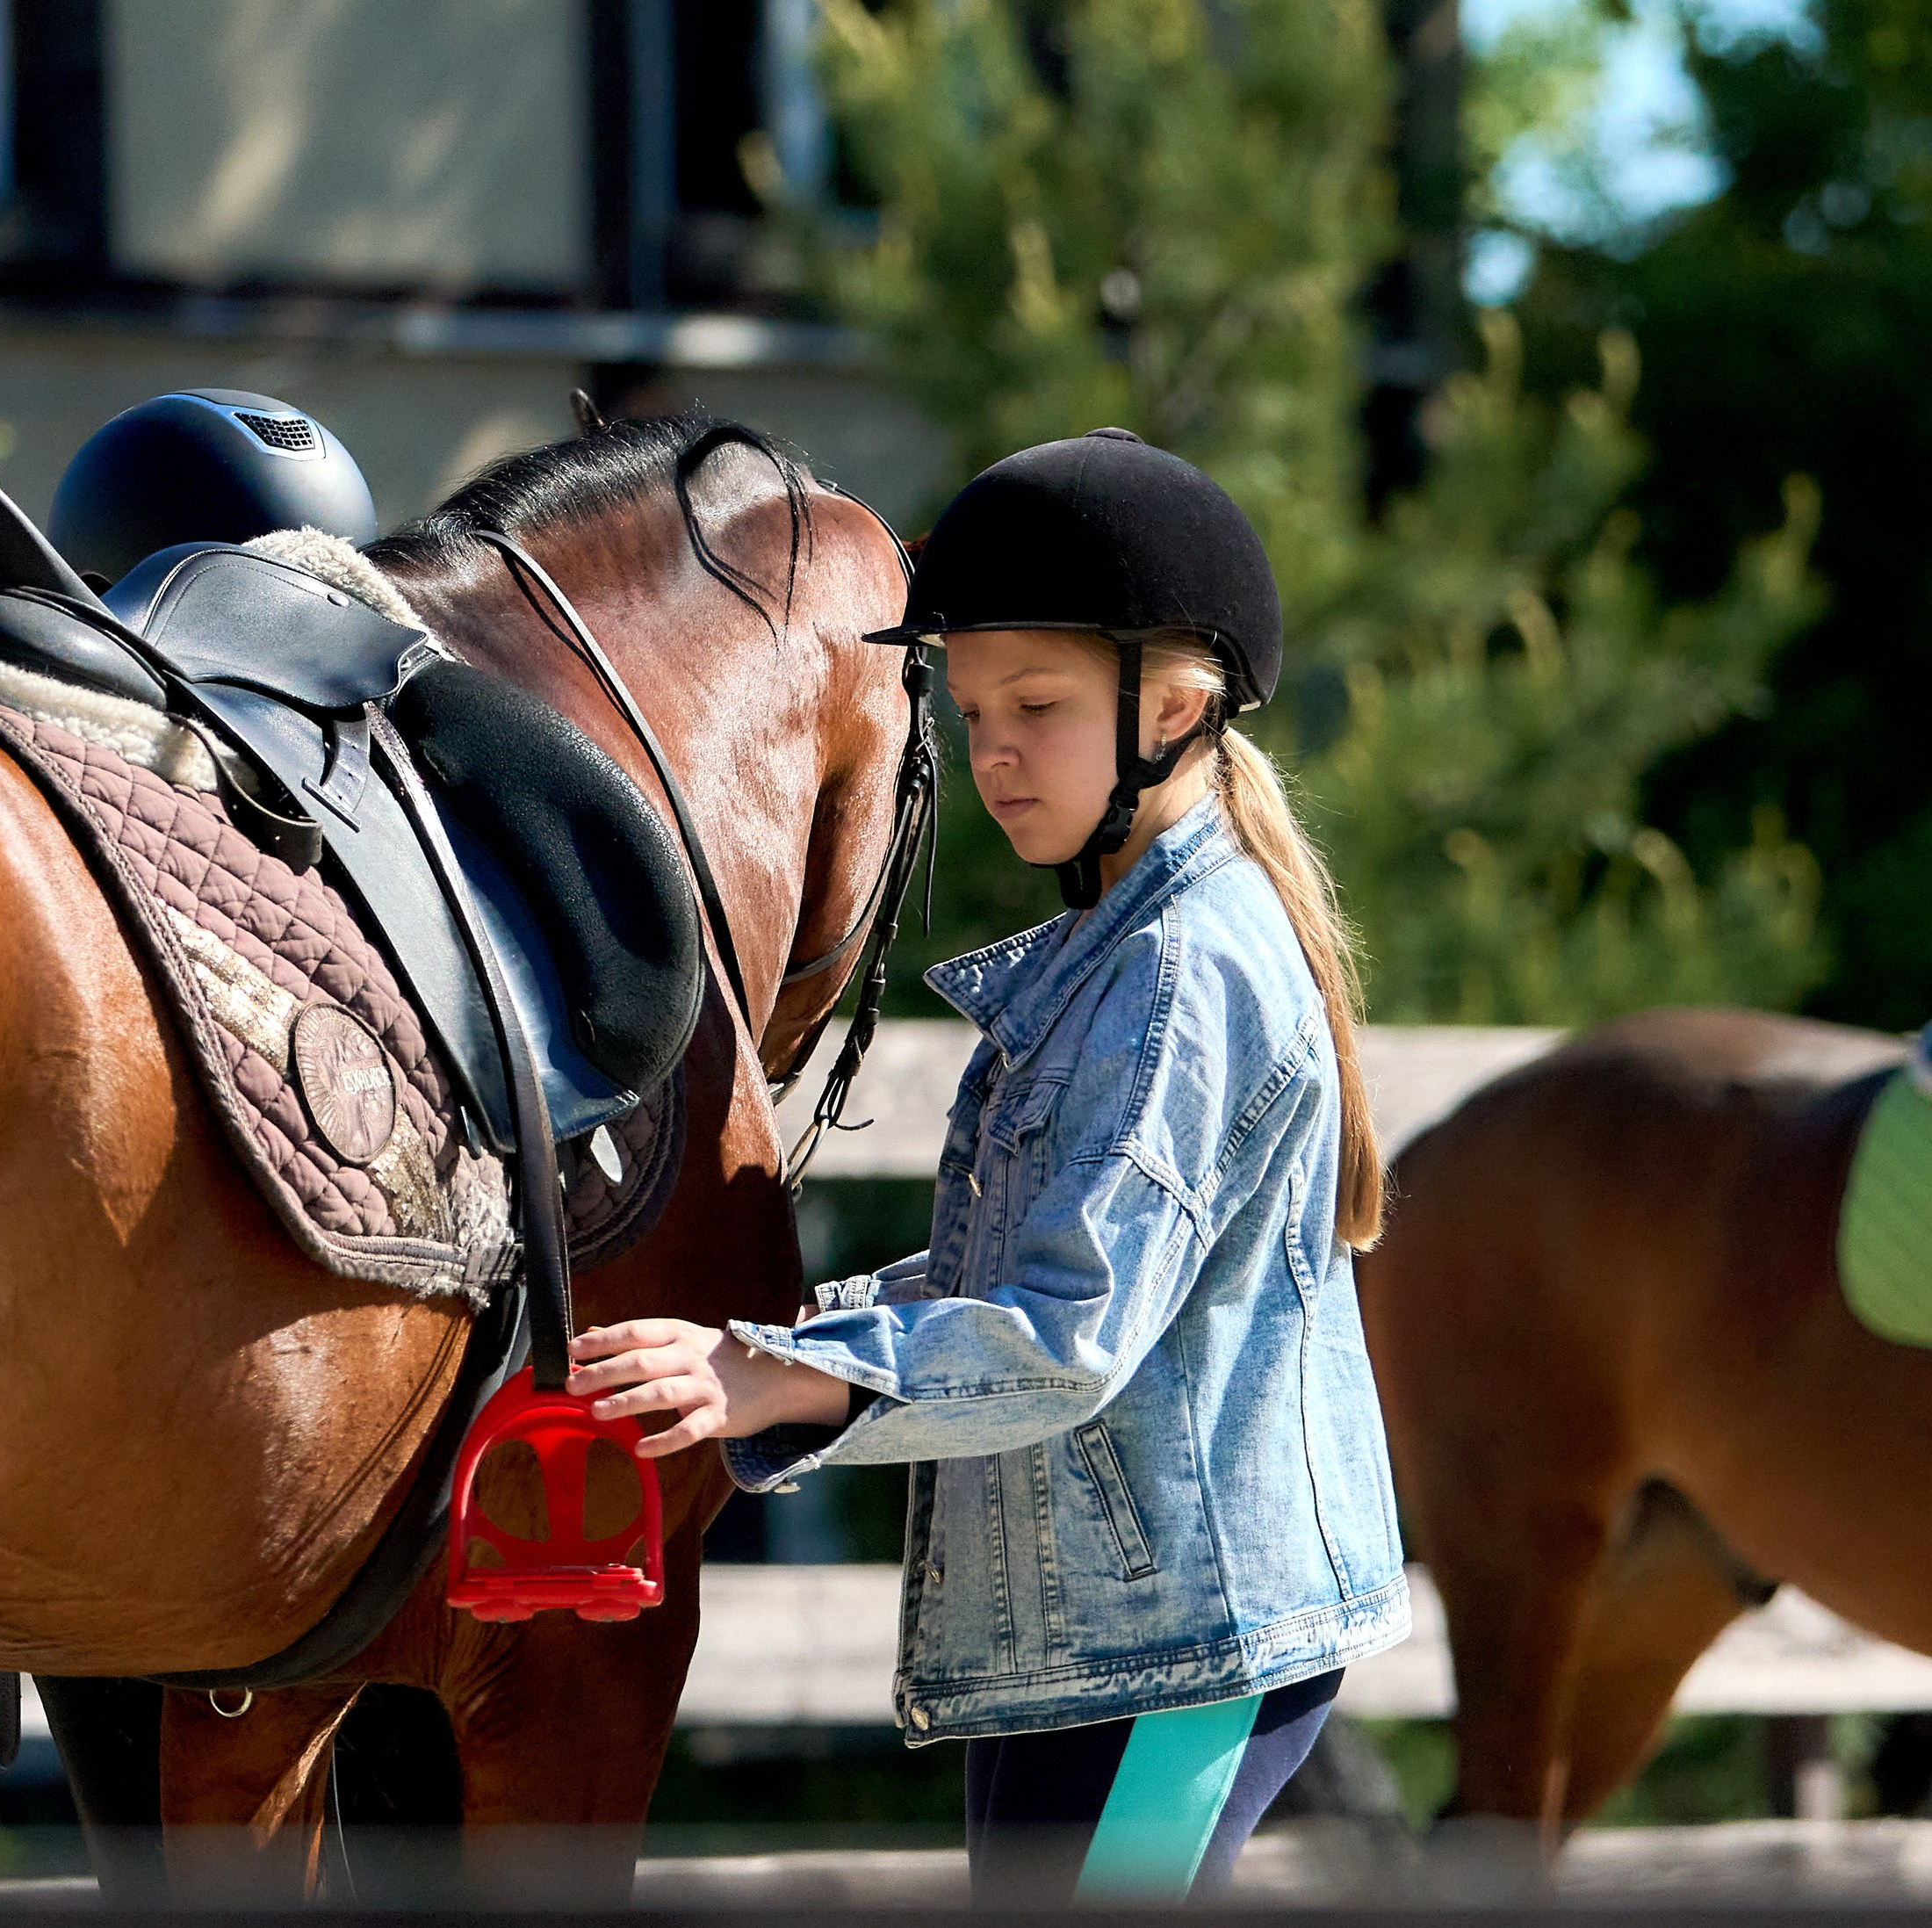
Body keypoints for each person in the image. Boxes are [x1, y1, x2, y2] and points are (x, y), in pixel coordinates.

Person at [566, 429, 1409, 1903]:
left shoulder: (1176, 975)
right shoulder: (1117, 953)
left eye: (1039, 706)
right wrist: (772, 1339)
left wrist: (772, 1376)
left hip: (1180, 1649)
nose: (993, 752)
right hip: (1100, 1639)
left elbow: (1060, 1335)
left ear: (1180, 709)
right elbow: (1011, 1266)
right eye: (967, 713)